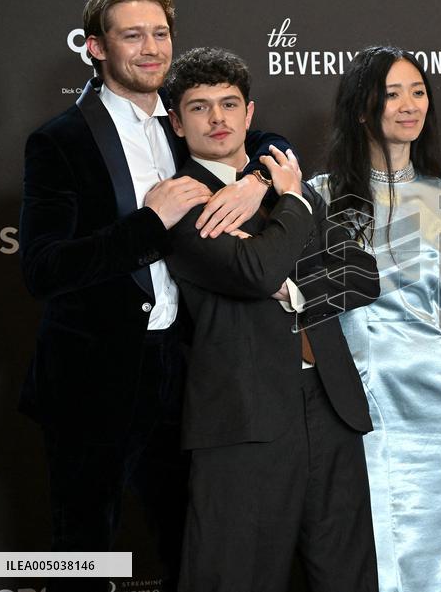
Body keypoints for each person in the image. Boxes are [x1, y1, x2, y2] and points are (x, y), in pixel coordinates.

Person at [18, 0, 284, 592]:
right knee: (82, 556)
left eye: (160, 33)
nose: (151, 48)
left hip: (187, 369)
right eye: (131, 35)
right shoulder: (58, 142)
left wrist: (258, 180)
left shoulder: (182, 120)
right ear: (96, 47)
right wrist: (149, 223)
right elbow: (44, 269)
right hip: (93, 379)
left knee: (187, 549)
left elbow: (265, 136)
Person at [162, 47, 379, 592]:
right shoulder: (181, 200)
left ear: (249, 114)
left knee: (346, 577)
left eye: (230, 104)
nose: (218, 119)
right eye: (200, 107)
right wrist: (295, 213)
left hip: (331, 406)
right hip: (244, 416)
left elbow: (360, 274)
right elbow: (256, 273)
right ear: (176, 122)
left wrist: (290, 284)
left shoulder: (283, 187)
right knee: (236, 576)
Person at [309, 45, 441, 592]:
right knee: (368, 559)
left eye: (418, 92)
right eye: (392, 93)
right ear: (361, 108)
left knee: (433, 559)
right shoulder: (321, 197)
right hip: (358, 407)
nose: (409, 105)